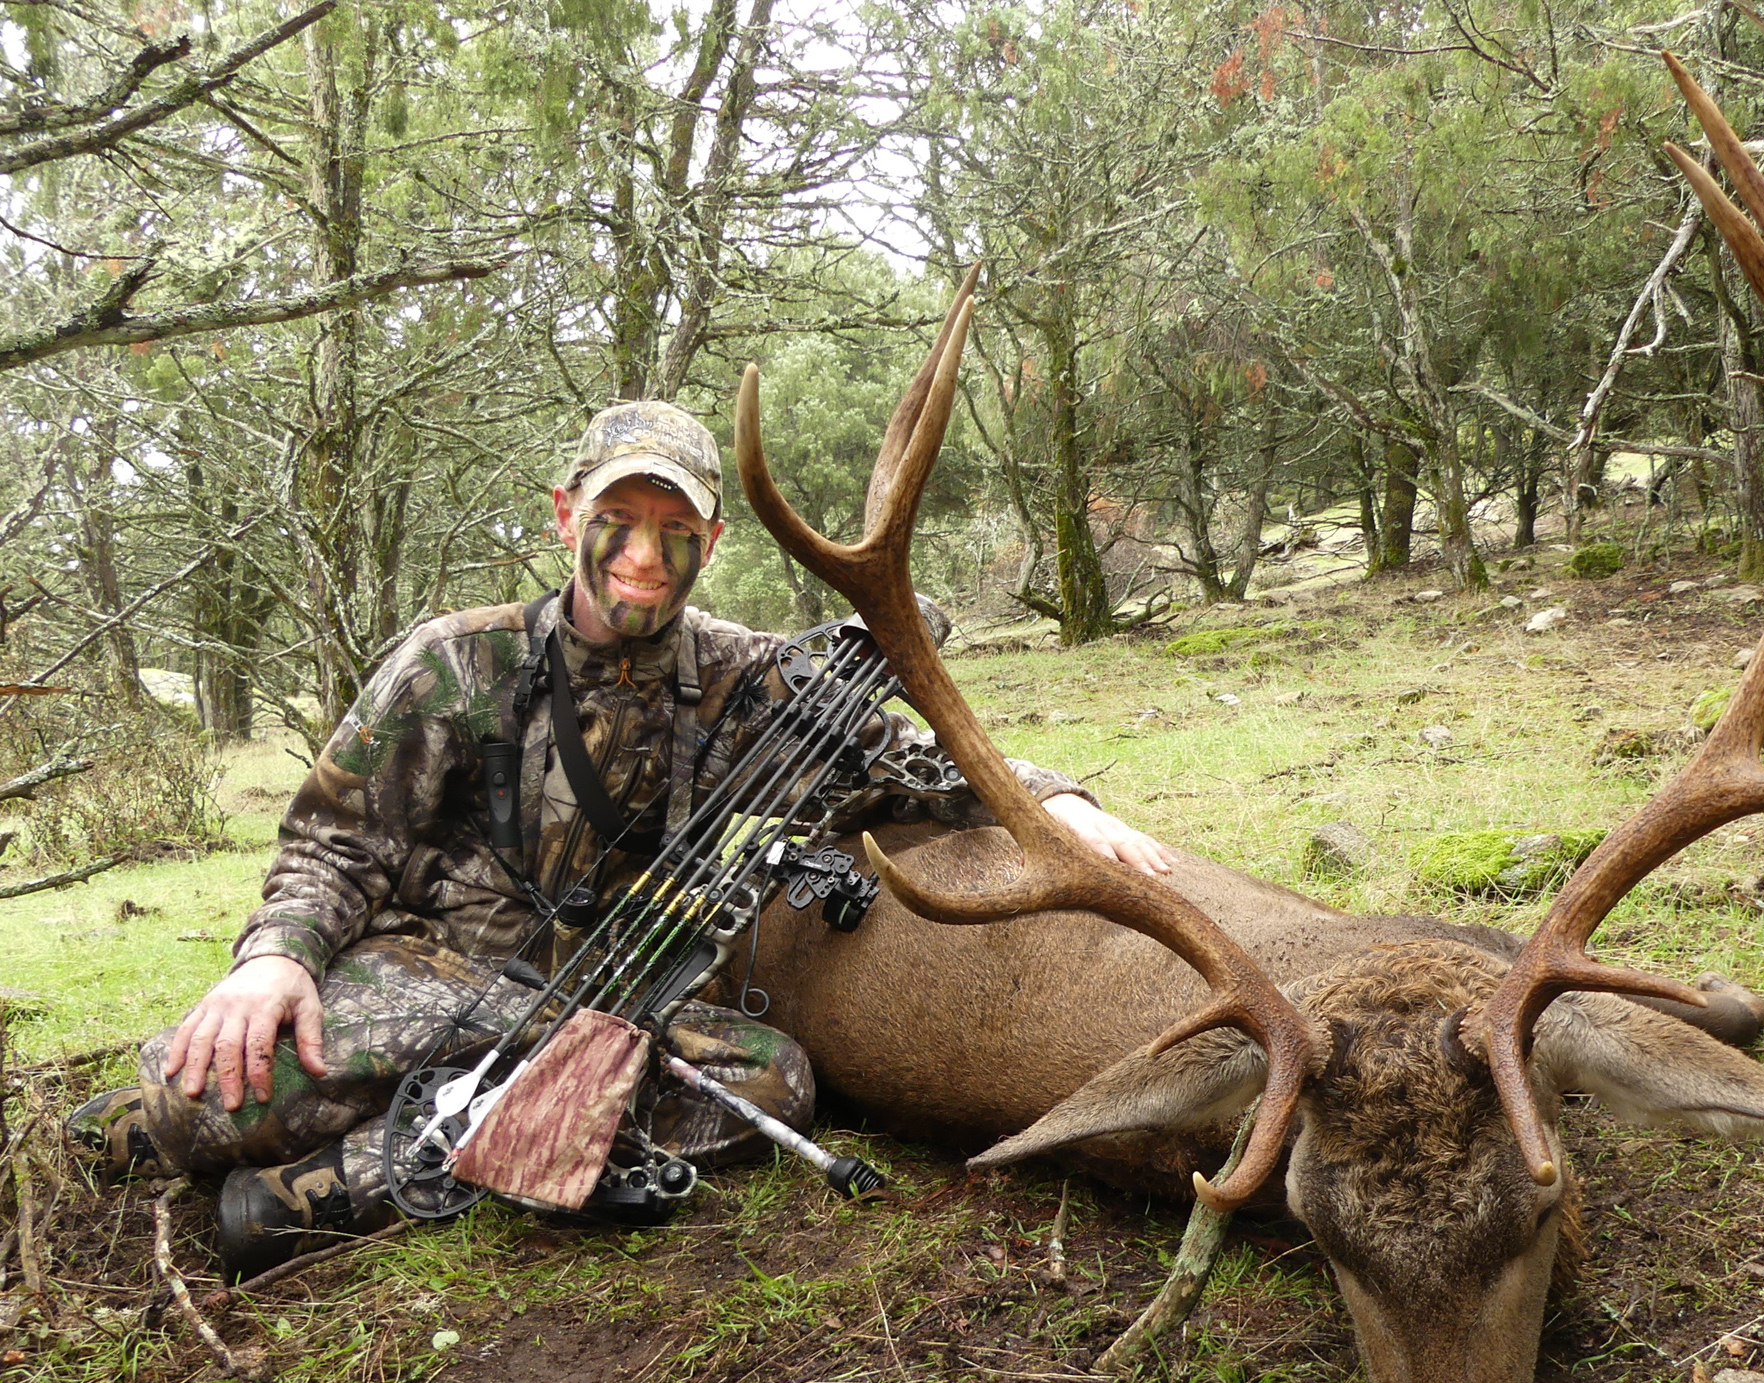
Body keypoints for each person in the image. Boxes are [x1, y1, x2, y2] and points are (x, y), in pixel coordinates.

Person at [67, 402, 1172, 1277]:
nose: (644, 553)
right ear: (564, 516)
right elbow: (334, 845)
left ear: (709, 540)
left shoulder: (743, 677)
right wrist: (276, 959)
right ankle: (152, 1121)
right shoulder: (453, 661)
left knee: (771, 1083)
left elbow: (898, 764)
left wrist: (1050, 801)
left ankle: (328, 1191)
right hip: (429, 970)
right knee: (192, 1105)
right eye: (618, 520)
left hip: (612, 1006)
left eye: (674, 530)